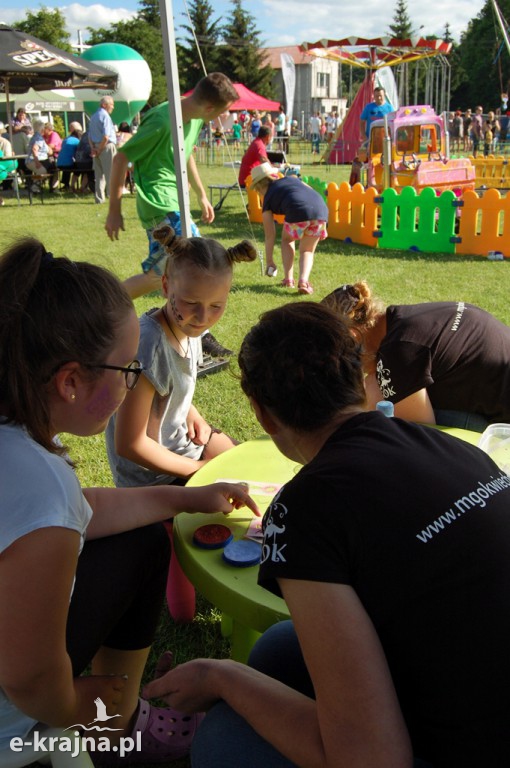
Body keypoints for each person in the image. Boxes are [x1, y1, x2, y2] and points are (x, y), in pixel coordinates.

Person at [145, 300, 510, 768]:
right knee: (279, 646)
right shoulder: (448, 444)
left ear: (263, 415)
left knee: (222, 741)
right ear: (361, 382)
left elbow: (370, 758)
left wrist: (221, 679)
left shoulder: (301, 512)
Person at [0, 236, 258, 764]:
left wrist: (188, 498)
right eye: (126, 373)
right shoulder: (42, 492)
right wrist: (77, 702)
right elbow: (26, 675)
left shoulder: (18, 439)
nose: (129, 389)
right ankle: (114, 729)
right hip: (13, 723)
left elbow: (88, 508)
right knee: (142, 552)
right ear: (71, 381)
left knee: (140, 541)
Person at [106, 223, 257, 487]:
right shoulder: (148, 347)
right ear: (166, 286)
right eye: (190, 303)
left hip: (183, 447)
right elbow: (129, 444)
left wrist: (190, 412)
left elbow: (168, 391)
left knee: (254, 466)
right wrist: (199, 469)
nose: (203, 317)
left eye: (216, 306)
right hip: (154, 479)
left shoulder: (188, 328)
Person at [104, 73, 238, 300]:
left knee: (171, 272)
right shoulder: (161, 120)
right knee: (192, 261)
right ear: (208, 108)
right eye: (221, 111)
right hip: (160, 202)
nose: (221, 117)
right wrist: (114, 211)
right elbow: (120, 158)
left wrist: (202, 195)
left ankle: (178, 325)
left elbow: (184, 155)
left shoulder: (195, 119)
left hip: (175, 201)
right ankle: (104, 304)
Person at [321, 280, 510, 431]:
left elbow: (422, 434)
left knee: (380, 412)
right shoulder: (405, 319)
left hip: (502, 428)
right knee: (377, 386)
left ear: (353, 336)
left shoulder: (398, 351)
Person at [249, 162, 328, 294]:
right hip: (320, 210)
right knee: (307, 251)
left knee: (287, 240)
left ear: (259, 187)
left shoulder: (267, 199)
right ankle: (303, 281)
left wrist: (270, 261)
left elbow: (270, 235)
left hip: (297, 210)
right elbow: (312, 194)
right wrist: (324, 223)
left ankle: (288, 279)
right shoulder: (292, 179)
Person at [88, 95, 117, 204]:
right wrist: (100, 149)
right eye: (112, 104)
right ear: (104, 105)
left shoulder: (93, 116)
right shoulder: (105, 116)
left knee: (99, 175)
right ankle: (112, 197)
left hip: (95, 146)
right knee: (111, 173)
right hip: (106, 147)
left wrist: (93, 148)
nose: (113, 107)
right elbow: (106, 136)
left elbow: (89, 136)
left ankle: (99, 198)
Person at [25, 118, 58, 191]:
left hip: (34, 160)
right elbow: (34, 149)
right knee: (46, 170)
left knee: (53, 168)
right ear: (42, 129)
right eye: (44, 128)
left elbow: (46, 150)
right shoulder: (38, 137)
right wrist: (37, 162)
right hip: (34, 160)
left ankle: (50, 187)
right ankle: (36, 187)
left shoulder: (37, 137)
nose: (44, 129)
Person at [56, 121, 82, 191]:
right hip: (68, 163)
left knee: (66, 166)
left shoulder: (66, 139)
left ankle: (65, 184)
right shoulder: (77, 141)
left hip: (59, 163)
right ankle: (74, 185)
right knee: (79, 169)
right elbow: (77, 154)